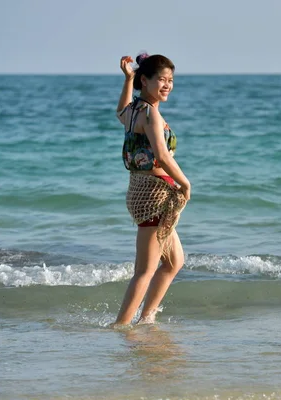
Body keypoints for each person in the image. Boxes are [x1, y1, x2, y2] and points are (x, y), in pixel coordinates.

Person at [113, 52, 191, 326]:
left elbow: (119, 113)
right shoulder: (151, 115)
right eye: (162, 79)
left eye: (170, 80)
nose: (167, 85)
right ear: (145, 81)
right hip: (152, 196)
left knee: (174, 262)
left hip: (145, 192)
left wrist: (128, 79)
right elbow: (162, 154)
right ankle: (121, 326)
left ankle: (146, 319)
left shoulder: (134, 110)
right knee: (145, 270)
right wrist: (185, 182)